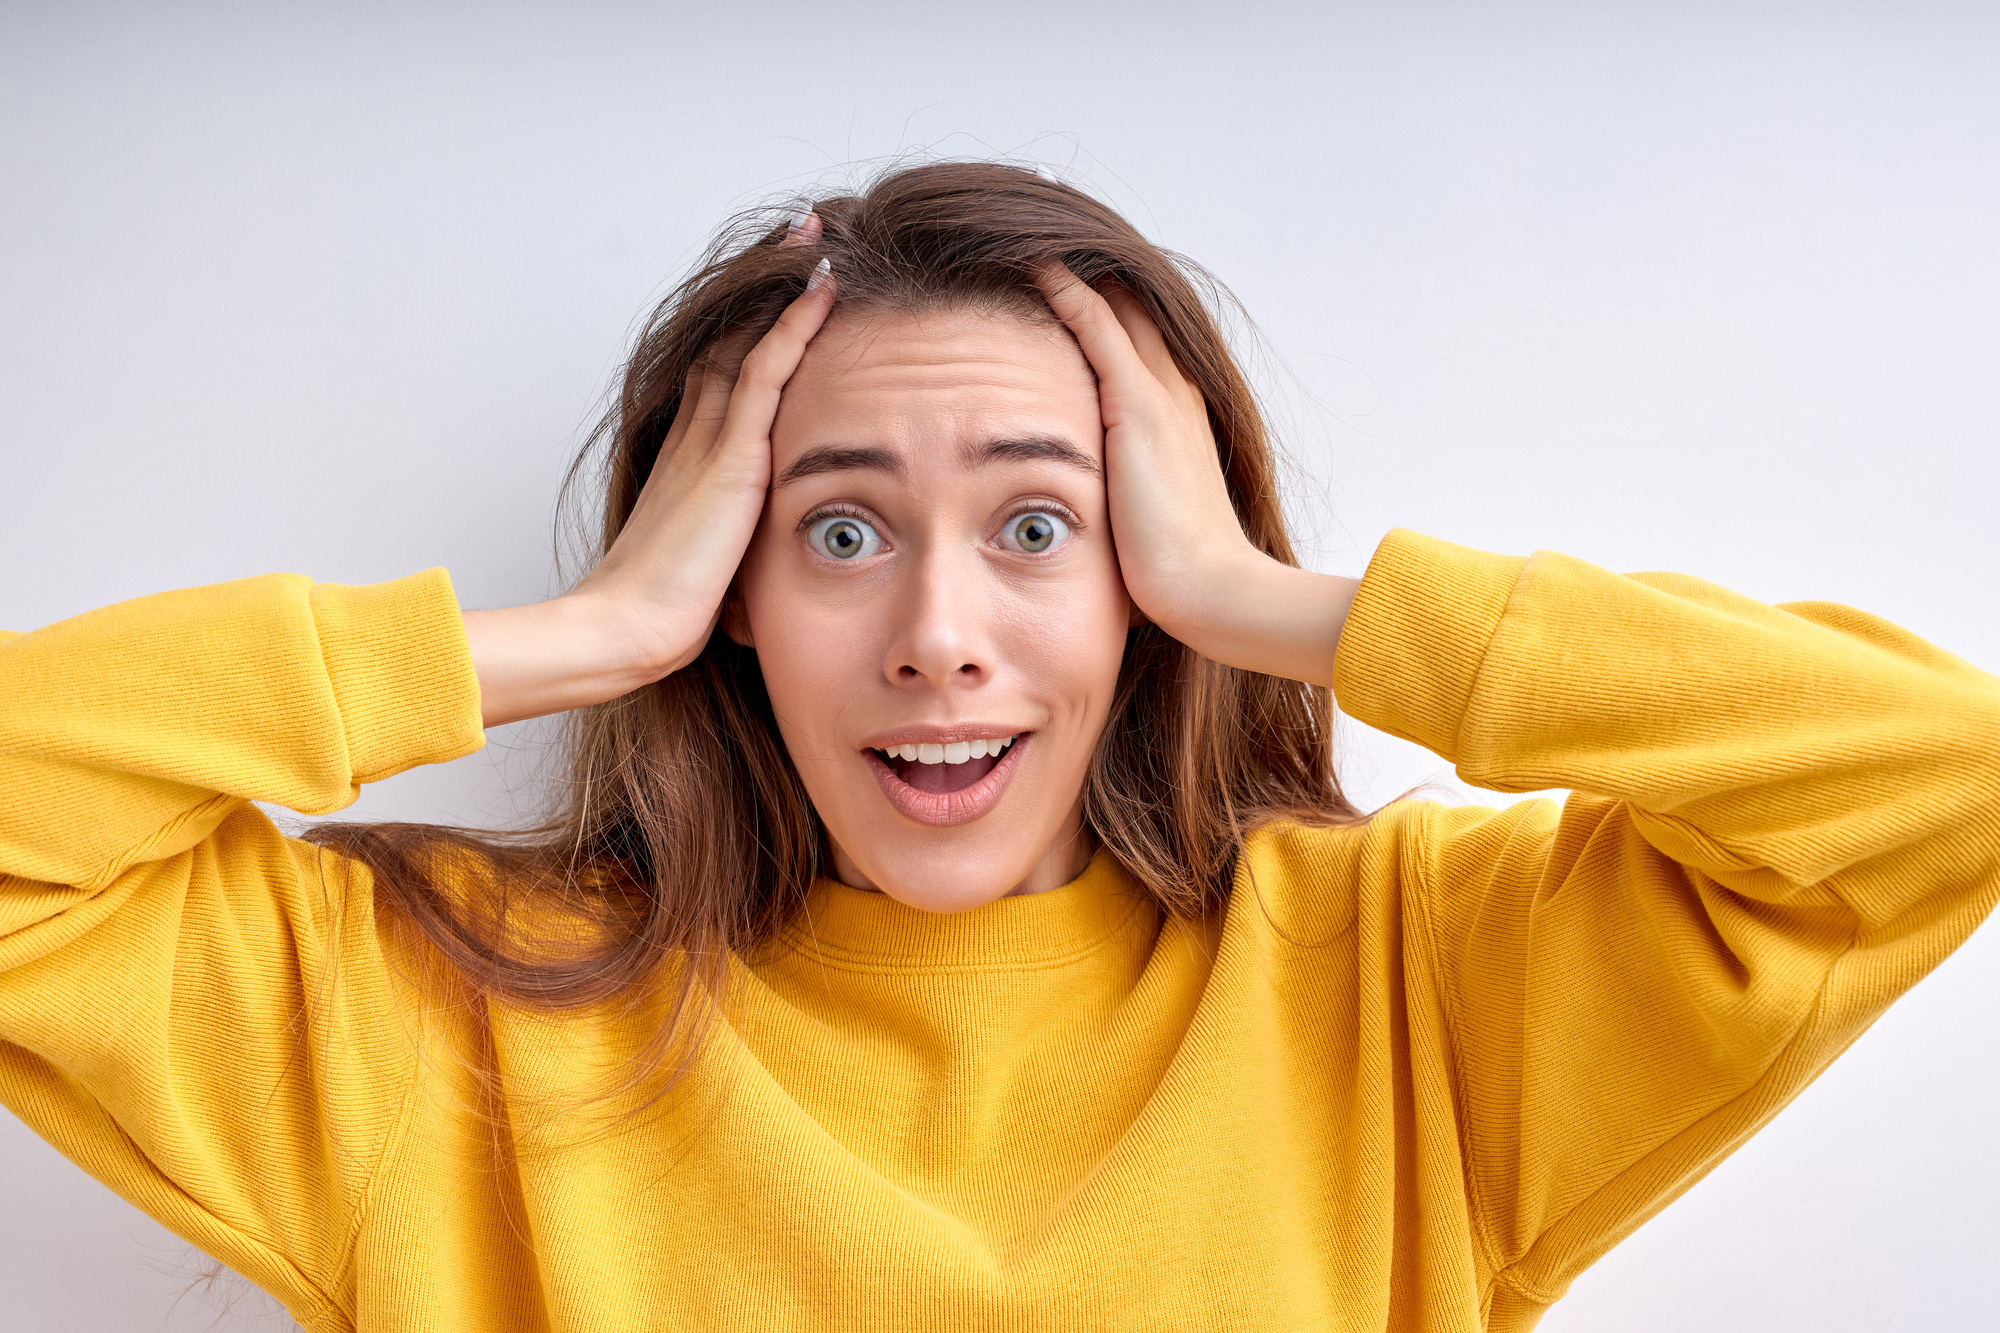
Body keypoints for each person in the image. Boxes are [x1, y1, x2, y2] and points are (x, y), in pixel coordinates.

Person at [1, 160, 1994, 1333]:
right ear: (731, 596)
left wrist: (1290, 606)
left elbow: (1943, 778)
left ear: (1147, 578)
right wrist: (575, 637)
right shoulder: (438, 1010)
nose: (938, 637)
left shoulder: (1417, 976)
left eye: (1042, 525)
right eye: (837, 531)